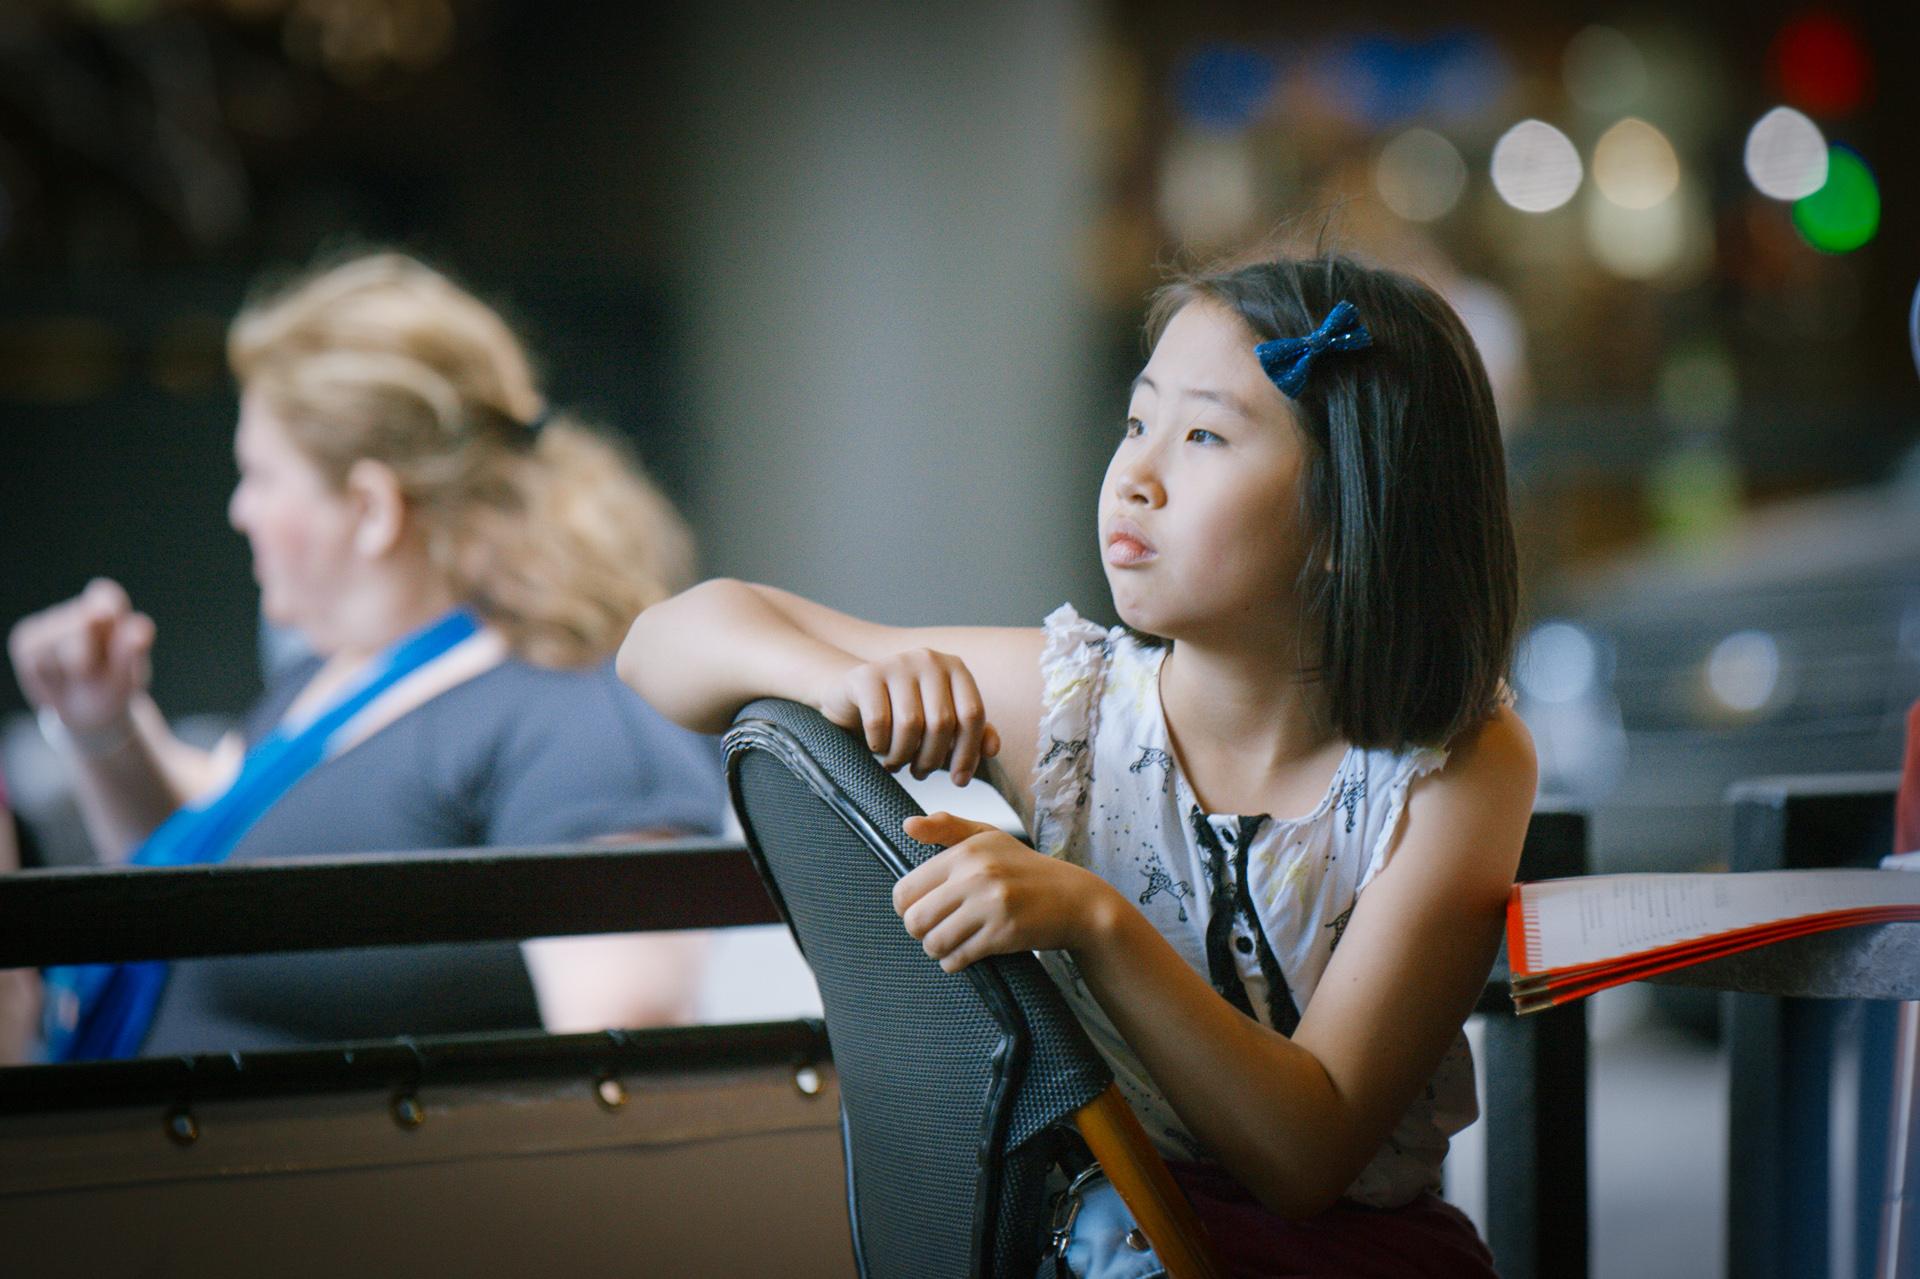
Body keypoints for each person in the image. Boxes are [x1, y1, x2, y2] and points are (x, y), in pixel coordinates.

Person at [619, 256, 1534, 1276]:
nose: (1136, 475)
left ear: (1350, 513)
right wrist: (836, 679)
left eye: (1204, 436)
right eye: (1137, 421)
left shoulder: (1455, 762)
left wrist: (1096, 921)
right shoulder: (1076, 712)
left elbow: (1305, 1158)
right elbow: (662, 640)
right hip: (1099, 1241)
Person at [8, 252, 726, 1061]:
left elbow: (627, 1058)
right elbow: (207, 882)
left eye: (262, 476)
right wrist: (104, 725)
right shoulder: (333, 678)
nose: (240, 509)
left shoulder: (576, 710)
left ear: (371, 507)